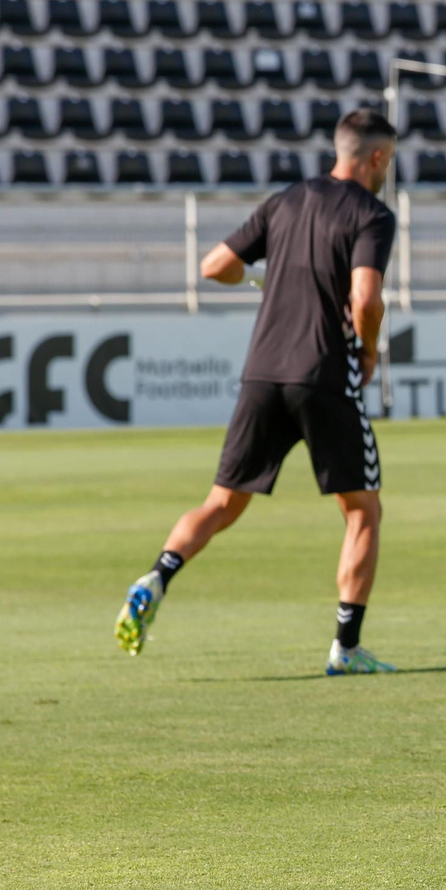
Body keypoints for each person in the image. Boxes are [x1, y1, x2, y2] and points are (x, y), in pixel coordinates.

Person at [115, 110, 401, 677]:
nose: (387, 171)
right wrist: (368, 351)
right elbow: (366, 300)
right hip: (323, 375)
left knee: (222, 502)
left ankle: (157, 576)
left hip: (262, 373)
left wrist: (261, 278)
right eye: (387, 161)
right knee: (362, 510)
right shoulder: (371, 214)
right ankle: (346, 647)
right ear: (374, 158)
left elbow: (215, 265)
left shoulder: (286, 201)